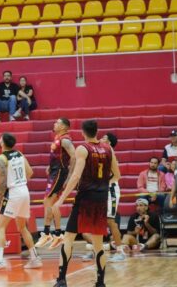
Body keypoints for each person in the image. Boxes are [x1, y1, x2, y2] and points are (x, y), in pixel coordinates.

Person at [53, 120, 120, 287]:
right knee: (98, 243)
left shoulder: (83, 148)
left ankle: (61, 280)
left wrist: (61, 200)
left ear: (83, 132)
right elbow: (117, 175)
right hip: (101, 198)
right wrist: (101, 184)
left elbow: (75, 176)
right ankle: (100, 282)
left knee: (69, 237)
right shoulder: (108, 148)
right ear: (96, 131)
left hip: (85, 198)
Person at [0, 133, 42, 272]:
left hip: (13, 193)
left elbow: (3, 183)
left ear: (3, 143)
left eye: (0, 139)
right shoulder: (20, 154)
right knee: (22, 227)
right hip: (24, 190)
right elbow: (30, 172)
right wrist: (20, 183)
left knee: (0, 227)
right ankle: (34, 259)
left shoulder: (1, 158)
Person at [82, 133, 125, 262]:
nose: (100, 139)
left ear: (109, 143)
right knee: (92, 223)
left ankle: (120, 251)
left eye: (104, 138)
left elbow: (114, 175)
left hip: (110, 189)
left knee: (110, 221)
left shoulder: (110, 153)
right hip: (99, 189)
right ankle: (97, 250)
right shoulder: (99, 153)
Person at [35, 118, 75, 250]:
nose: (54, 124)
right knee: (52, 204)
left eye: (57, 123)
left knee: (47, 201)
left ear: (64, 127)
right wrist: (50, 165)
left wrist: (69, 177)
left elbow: (74, 157)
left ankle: (47, 233)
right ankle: (58, 234)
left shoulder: (65, 140)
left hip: (59, 173)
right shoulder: (58, 138)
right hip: (55, 171)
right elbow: (58, 155)